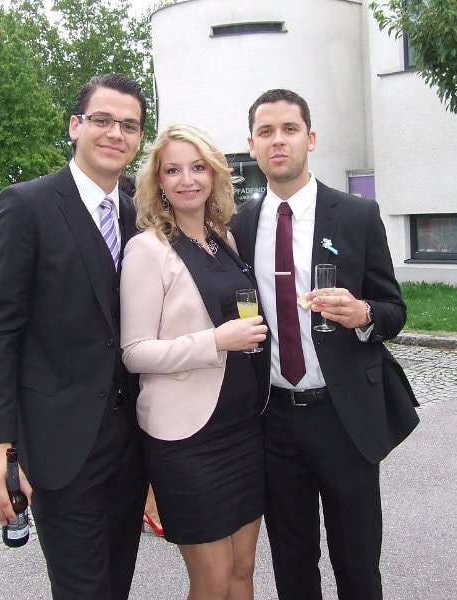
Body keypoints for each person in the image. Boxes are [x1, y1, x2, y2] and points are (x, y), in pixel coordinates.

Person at [230, 89, 420, 600]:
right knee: (292, 565)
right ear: (252, 144)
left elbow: (394, 310)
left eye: (289, 129)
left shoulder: (357, 215)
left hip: (343, 415)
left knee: (358, 565)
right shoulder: (238, 225)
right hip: (272, 418)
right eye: (266, 132)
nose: (278, 141)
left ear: (310, 138)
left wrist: (364, 315)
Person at [0, 73, 148, 600]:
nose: (115, 133)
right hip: (61, 445)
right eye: (102, 120)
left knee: (116, 584)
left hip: (131, 446)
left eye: (129, 125)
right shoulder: (25, 206)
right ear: (75, 126)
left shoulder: (139, 213)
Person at [120, 123, 269, 600]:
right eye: (173, 170)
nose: (187, 179)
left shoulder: (224, 239)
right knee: (212, 579)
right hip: (187, 440)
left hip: (242, 427)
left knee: (243, 569)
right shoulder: (147, 250)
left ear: (214, 174)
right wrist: (215, 341)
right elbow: (134, 352)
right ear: (158, 182)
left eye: (198, 167)